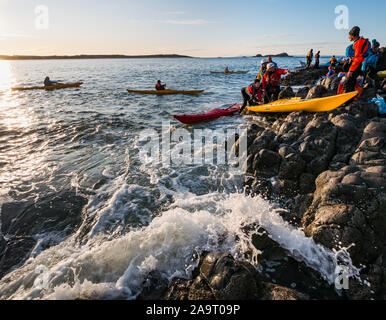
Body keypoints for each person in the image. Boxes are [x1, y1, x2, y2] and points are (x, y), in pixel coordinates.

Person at [343, 26, 371, 93]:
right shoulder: (360, 41)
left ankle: (347, 97)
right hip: (360, 63)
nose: (348, 37)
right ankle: (352, 94)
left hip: (358, 64)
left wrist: (351, 70)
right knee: (352, 80)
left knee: (349, 80)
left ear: (352, 36)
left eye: (349, 35)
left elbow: (358, 58)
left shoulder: (358, 43)